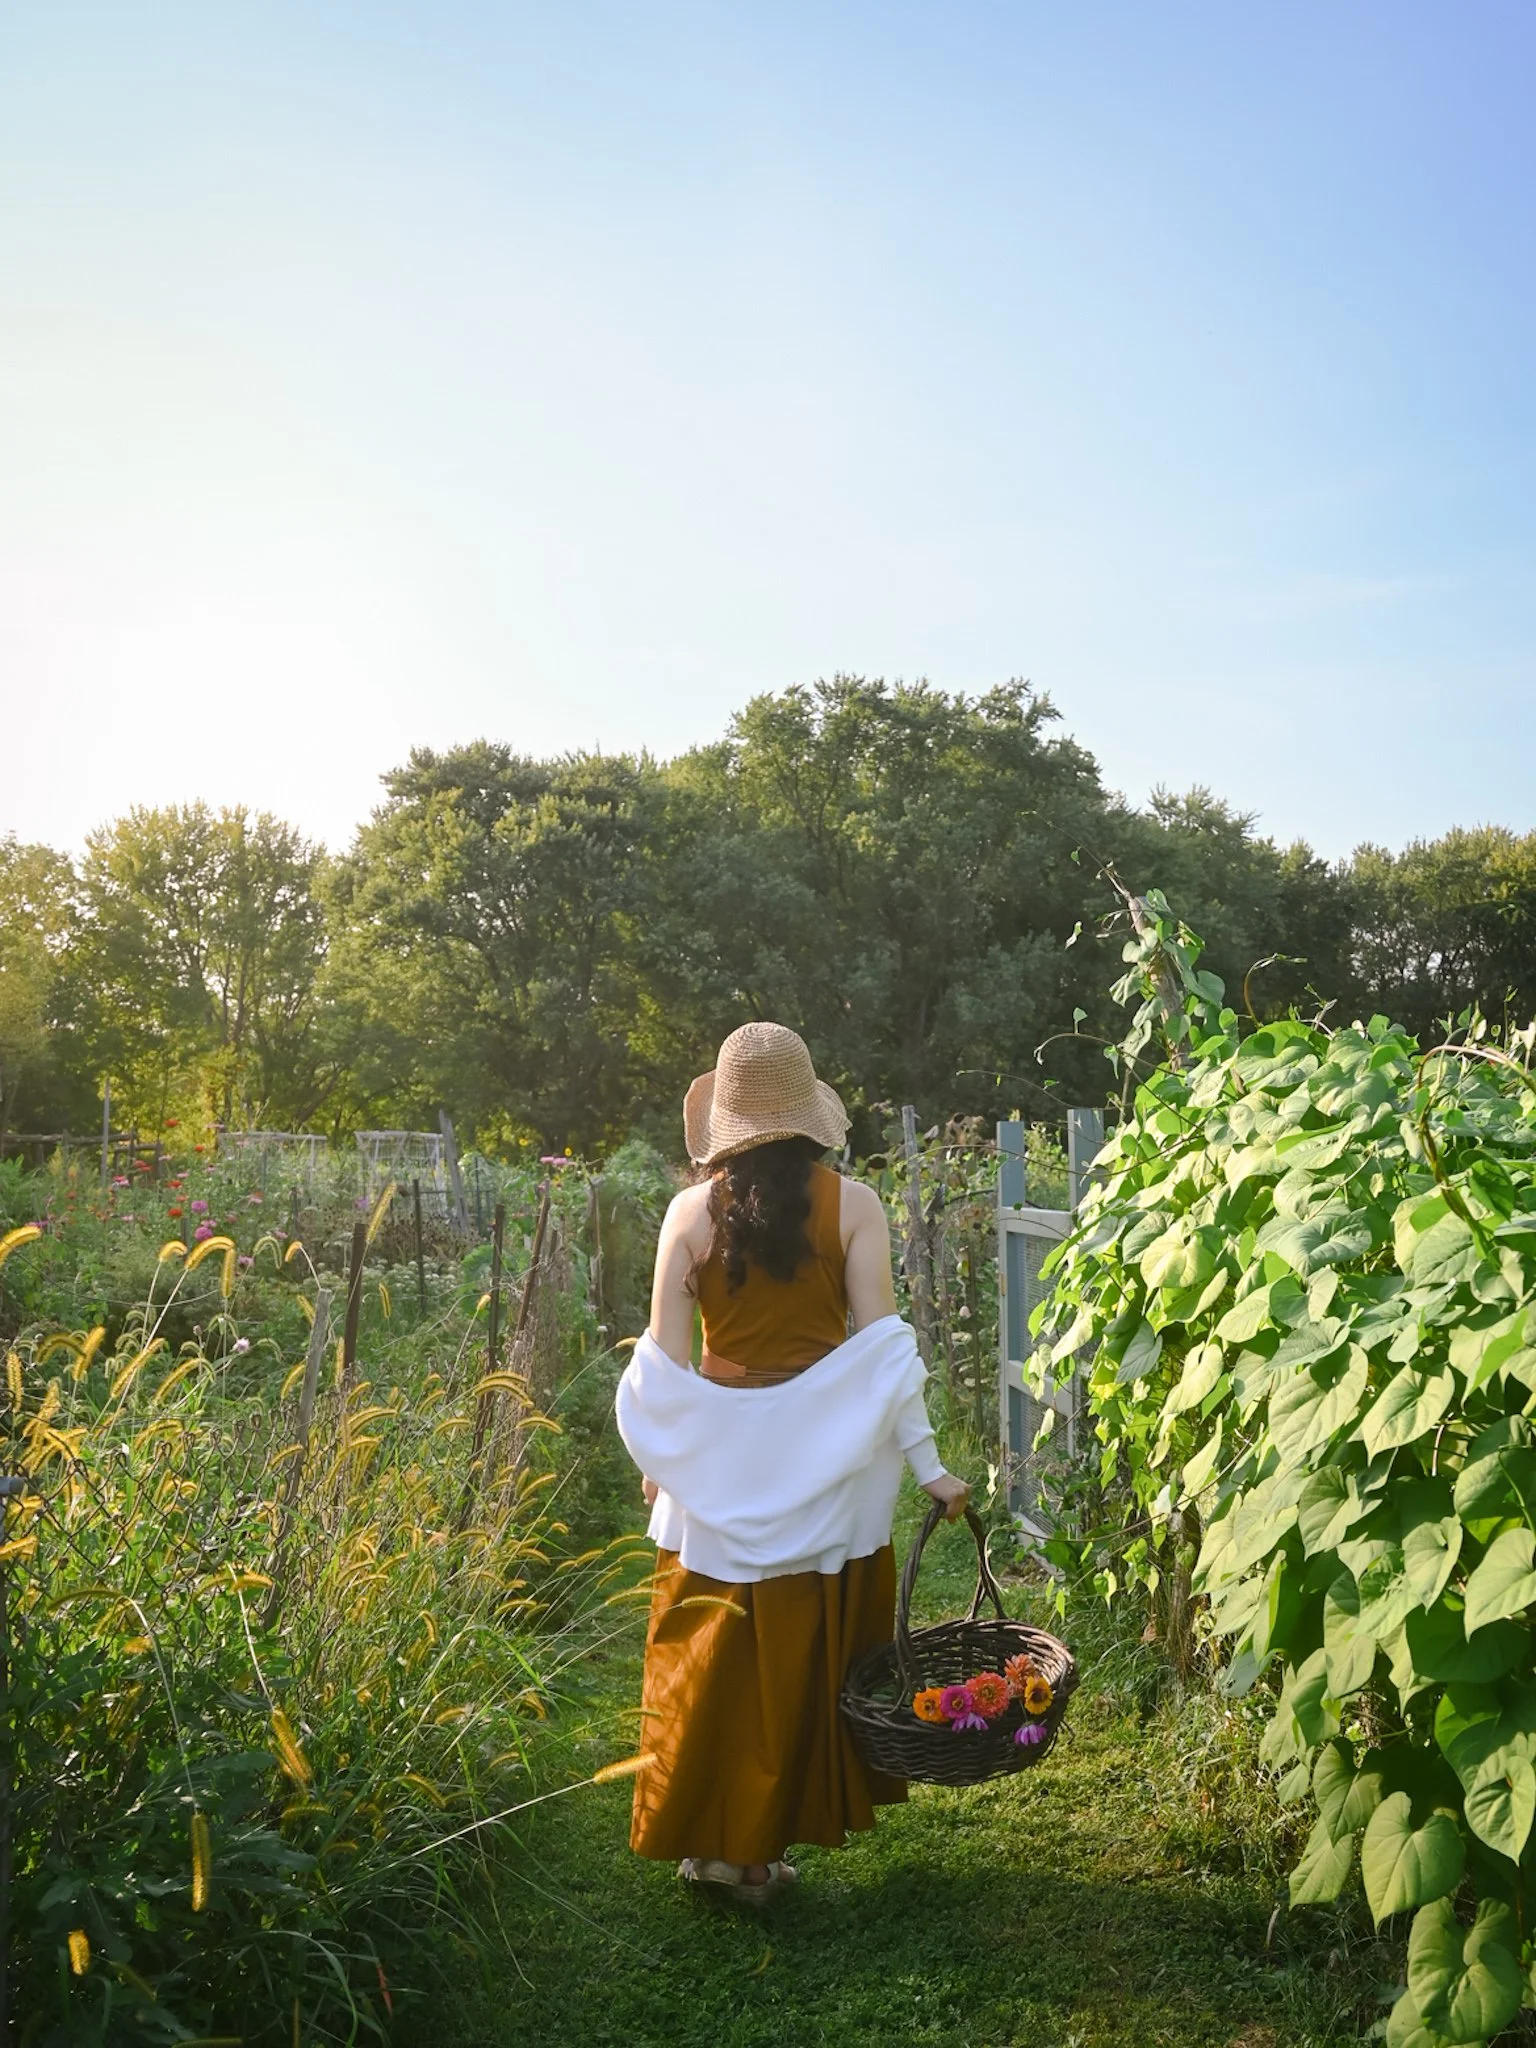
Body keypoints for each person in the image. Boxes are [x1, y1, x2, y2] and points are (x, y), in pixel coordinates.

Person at [614, 1021, 969, 1906]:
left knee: (711, 1648)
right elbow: (885, 1353)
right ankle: (769, 1848)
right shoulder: (854, 1206)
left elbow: (662, 1361)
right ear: (809, 1114)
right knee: (807, 1650)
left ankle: (723, 1845)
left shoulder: (688, 1214)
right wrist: (927, 1466)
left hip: (722, 1455)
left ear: (724, 1122)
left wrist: (662, 1457)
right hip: (826, 1463)